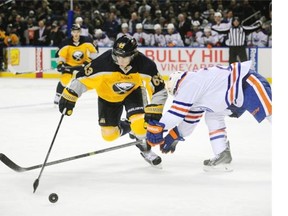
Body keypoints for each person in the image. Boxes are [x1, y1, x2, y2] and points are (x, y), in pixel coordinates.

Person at [57, 35, 168, 167]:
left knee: (140, 127)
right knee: (109, 135)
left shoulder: (145, 64)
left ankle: (146, 150)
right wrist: (70, 95)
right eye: (117, 56)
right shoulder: (103, 62)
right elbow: (82, 79)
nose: (120, 61)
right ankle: (129, 126)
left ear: (133, 54)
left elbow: (159, 89)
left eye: (124, 57)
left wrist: (155, 109)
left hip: (133, 93)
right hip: (107, 97)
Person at [145, 60, 272, 171]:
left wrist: (159, 127)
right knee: (212, 116)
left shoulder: (189, 82)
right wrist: (174, 135)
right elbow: (190, 120)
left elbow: (176, 113)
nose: (177, 95)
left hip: (247, 83)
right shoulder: (195, 94)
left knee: (273, 116)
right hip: (233, 96)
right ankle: (222, 153)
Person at [54, 24, 98, 105]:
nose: (76, 34)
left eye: (77, 32)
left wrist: (87, 61)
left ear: (80, 32)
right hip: (69, 65)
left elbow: (94, 53)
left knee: (89, 78)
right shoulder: (66, 42)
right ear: (71, 33)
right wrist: (61, 64)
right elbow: (62, 55)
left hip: (82, 65)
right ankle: (58, 96)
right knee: (65, 79)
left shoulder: (86, 41)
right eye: (74, 32)